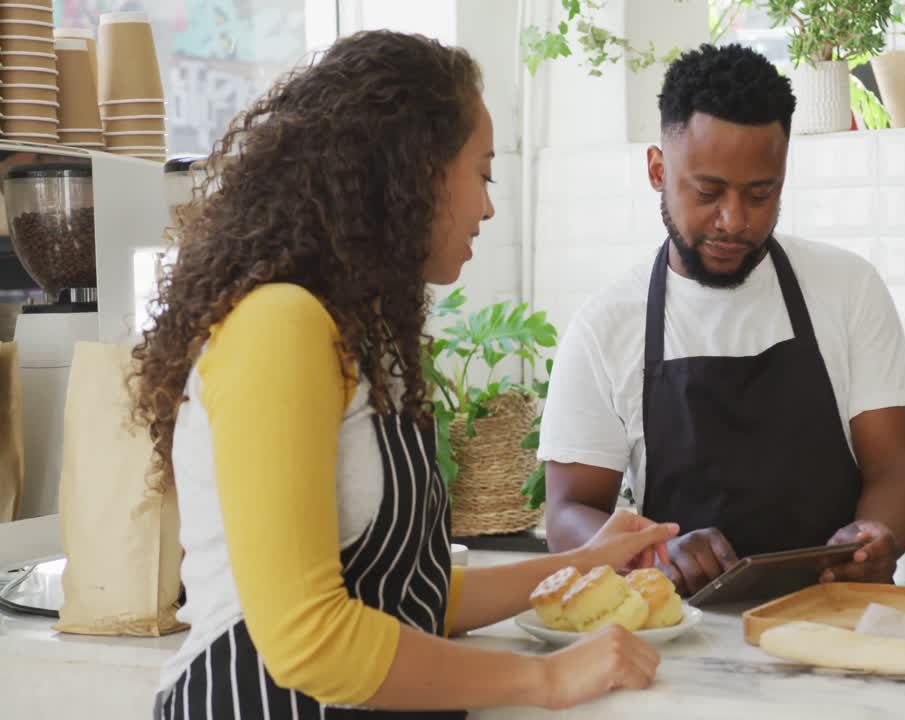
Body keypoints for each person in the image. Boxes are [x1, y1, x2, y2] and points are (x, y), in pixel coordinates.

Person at [132, 31, 677, 719]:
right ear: (414, 171)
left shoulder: (363, 340)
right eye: (482, 173)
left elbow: (406, 595)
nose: (487, 206)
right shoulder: (279, 325)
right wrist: (548, 679)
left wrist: (587, 562)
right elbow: (309, 638)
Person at [538, 44, 905, 597]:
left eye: (760, 194)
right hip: (678, 640)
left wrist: (877, 534)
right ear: (657, 170)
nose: (734, 221)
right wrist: (651, 552)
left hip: (835, 620)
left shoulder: (849, 289)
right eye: (708, 192)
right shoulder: (606, 325)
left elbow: (894, 470)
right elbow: (569, 511)